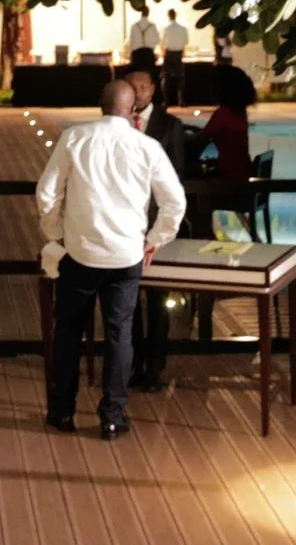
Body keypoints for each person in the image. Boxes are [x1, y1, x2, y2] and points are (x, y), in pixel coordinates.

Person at [35, 79, 186, 440]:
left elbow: (47, 193)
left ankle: (62, 411)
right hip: (126, 255)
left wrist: (56, 233)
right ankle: (113, 416)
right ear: (133, 110)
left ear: (99, 104)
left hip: (80, 252)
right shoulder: (147, 146)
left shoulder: (75, 138)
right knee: (120, 334)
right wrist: (155, 240)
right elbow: (175, 202)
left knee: (69, 332)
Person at [124, 61, 190, 392]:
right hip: (123, 224)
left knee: (158, 298)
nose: (138, 93)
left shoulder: (170, 125)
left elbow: (177, 175)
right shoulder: (116, 123)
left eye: (144, 87)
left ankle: (156, 364)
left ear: (153, 89)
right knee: (127, 297)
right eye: (132, 87)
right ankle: (131, 362)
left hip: (156, 224)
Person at [157, 11, 191, 104]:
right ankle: (181, 101)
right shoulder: (183, 28)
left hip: (168, 54)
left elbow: (161, 42)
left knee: (165, 78)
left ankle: (165, 101)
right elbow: (185, 42)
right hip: (178, 54)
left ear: (168, 16)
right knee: (180, 78)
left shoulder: (165, 28)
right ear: (176, 15)